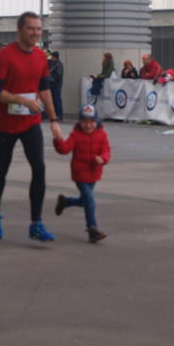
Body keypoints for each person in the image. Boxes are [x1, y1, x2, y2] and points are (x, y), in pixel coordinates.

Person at [0, 11, 61, 242]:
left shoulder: (40, 57)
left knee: (39, 168)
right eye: (31, 29)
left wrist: (53, 120)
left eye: (38, 29)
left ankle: (36, 223)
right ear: (20, 30)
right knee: (2, 169)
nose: (36, 33)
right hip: (6, 123)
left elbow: (45, 89)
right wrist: (22, 100)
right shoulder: (4, 56)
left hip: (30, 122)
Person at [53, 103, 111, 243]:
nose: (88, 125)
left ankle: (66, 202)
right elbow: (64, 149)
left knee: (85, 201)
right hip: (80, 173)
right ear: (80, 122)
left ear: (96, 121)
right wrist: (58, 138)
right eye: (85, 122)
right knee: (90, 200)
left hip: (94, 173)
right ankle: (92, 229)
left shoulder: (102, 135)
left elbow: (106, 151)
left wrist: (102, 159)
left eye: (91, 122)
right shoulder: (76, 135)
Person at [48, 51, 64, 121]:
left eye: (52, 56)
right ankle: (55, 115)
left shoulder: (58, 65)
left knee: (57, 100)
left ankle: (59, 115)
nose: (51, 58)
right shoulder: (54, 63)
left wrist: (50, 79)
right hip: (54, 84)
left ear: (55, 57)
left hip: (56, 85)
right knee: (54, 100)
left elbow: (58, 76)